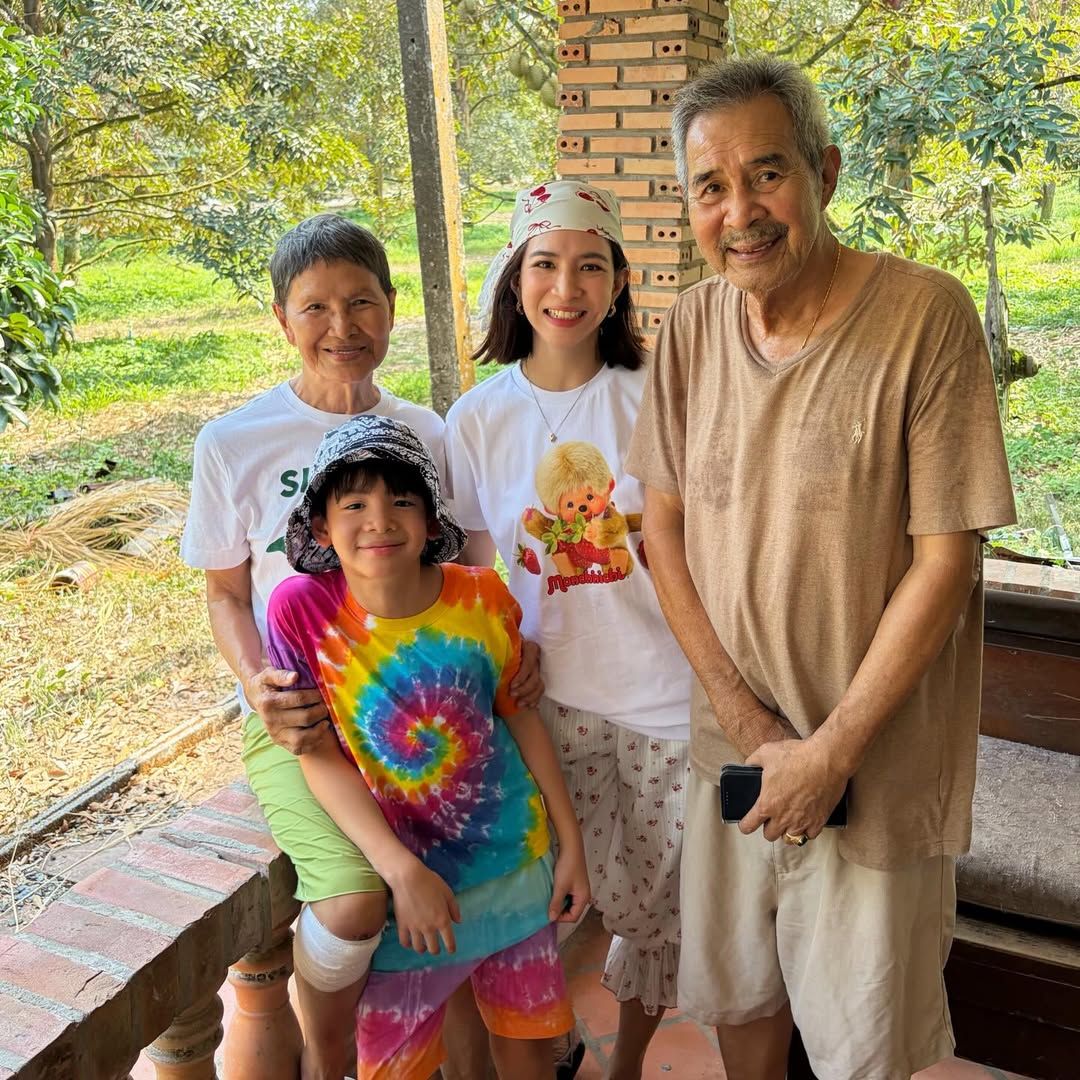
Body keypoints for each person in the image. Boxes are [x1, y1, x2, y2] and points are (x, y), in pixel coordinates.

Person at [626, 56, 1018, 1080]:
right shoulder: (692, 326)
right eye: (711, 187)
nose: (740, 213)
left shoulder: (924, 317)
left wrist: (831, 751)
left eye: (767, 174)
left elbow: (946, 563)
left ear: (825, 172)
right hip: (736, 758)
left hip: (874, 770)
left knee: (864, 1050)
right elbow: (662, 530)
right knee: (742, 1004)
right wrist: (751, 726)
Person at [180, 214, 539, 1079]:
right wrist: (258, 684)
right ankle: (330, 1049)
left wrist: (506, 648)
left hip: (422, 710)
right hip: (307, 720)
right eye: (315, 307)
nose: (340, 327)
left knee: (470, 887)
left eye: (361, 303)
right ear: (281, 319)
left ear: (392, 308)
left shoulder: (428, 432)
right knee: (353, 900)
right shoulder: (232, 443)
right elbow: (225, 593)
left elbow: (466, 568)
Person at [444, 180, 693, 1080]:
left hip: (662, 695)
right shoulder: (475, 418)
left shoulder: (656, 394)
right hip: (538, 708)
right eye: (544, 264)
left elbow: (694, 540)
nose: (566, 287)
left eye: (591, 266)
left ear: (620, 283)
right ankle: (547, 1048)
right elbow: (478, 565)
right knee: (539, 900)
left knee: (656, 907)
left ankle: (627, 1063)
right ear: (515, 282)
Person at [265, 413, 589, 1080]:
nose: (380, 520)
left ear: (433, 520)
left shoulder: (483, 595)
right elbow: (314, 751)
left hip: (515, 872)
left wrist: (571, 847)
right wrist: (400, 873)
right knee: (395, 1066)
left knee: (527, 1052)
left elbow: (520, 719)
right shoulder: (300, 611)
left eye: (402, 501)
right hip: (407, 901)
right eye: (354, 504)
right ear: (321, 527)